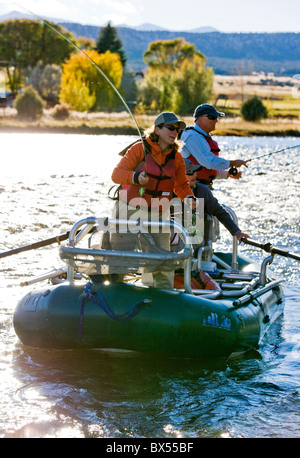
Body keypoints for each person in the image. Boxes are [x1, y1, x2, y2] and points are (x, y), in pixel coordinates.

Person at [109, 112, 195, 290]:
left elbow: (180, 184)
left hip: (158, 210)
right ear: (157, 129)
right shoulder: (139, 149)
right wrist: (135, 177)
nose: (174, 132)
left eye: (177, 130)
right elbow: (116, 175)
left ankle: (162, 293)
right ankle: (114, 289)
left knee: (161, 258)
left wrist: (188, 197)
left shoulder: (177, 158)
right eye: (171, 128)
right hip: (129, 208)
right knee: (120, 256)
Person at [180, 104, 250, 187]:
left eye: (217, 118)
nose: (216, 120)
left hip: (201, 186)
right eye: (212, 117)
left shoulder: (201, 136)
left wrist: (227, 174)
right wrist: (233, 163)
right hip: (190, 188)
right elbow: (209, 162)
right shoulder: (193, 136)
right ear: (199, 118)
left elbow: (207, 170)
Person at [183, 159, 250, 243]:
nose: (195, 175)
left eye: (196, 171)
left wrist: (237, 232)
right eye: (191, 173)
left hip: (193, 242)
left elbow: (219, 211)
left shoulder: (202, 191)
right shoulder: (168, 192)